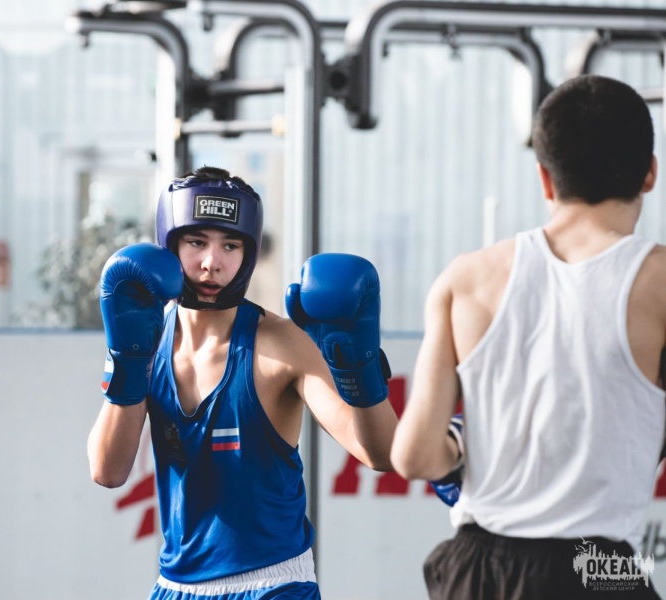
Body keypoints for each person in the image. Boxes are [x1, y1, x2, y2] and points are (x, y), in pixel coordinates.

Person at [390, 73, 666, 599]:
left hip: (476, 568)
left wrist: (462, 446)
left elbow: (414, 456)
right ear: (649, 173)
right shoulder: (659, 282)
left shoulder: (466, 278)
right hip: (597, 567)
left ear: (545, 179)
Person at [88, 165, 398, 599]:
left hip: (273, 583)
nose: (212, 263)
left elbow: (382, 454)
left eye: (230, 245)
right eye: (197, 242)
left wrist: (356, 366)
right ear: (169, 245)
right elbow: (107, 471)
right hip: (175, 584)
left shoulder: (281, 344)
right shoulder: (147, 339)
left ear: (248, 253)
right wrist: (127, 360)